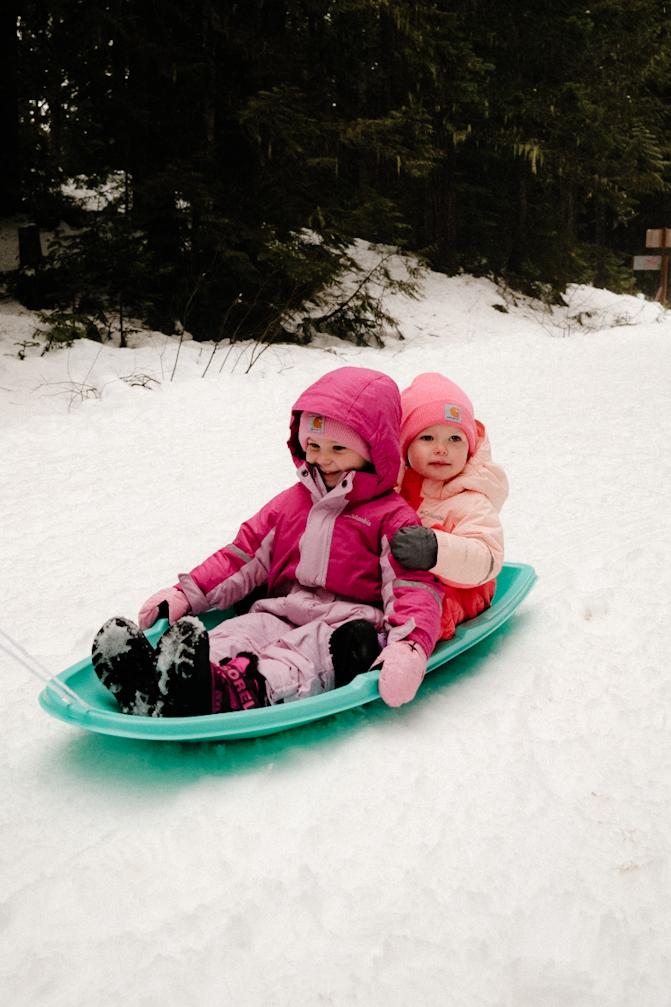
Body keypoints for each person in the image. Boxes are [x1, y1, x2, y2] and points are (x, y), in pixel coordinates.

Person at [92, 366, 444, 717]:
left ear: (375, 450)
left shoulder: (391, 517)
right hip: (282, 609)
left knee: (296, 659)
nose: (322, 458)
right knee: (236, 632)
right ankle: (157, 680)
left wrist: (409, 647)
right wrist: (186, 593)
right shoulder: (292, 504)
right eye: (314, 445)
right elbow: (240, 557)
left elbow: (412, 589)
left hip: (342, 628)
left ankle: (227, 692)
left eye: (338, 447)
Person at [391, 372, 508, 640]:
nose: (442, 449)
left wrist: (435, 550)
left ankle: (403, 640)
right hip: (399, 585)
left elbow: (487, 558)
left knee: (427, 606)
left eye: (455, 439)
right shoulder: (393, 489)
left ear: (469, 445)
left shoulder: (472, 498)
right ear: (404, 445)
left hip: (461, 590)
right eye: (427, 438)